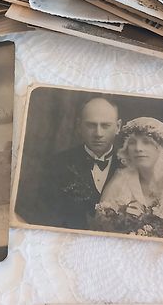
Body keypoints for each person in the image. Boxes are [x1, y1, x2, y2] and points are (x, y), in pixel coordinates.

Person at [40, 97, 122, 230]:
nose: (98, 133)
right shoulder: (57, 163)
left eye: (105, 126)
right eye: (91, 125)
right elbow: (46, 216)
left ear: (118, 127)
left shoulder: (129, 165)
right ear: (79, 126)